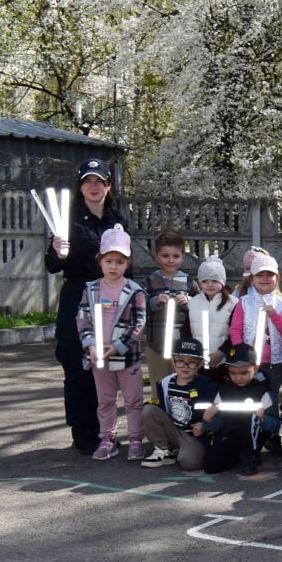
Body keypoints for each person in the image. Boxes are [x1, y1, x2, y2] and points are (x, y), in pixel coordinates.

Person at [45, 158, 130, 453]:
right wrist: (59, 252)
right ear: (80, 186)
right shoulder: (65, 220)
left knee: (104, 367)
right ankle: (82, 432)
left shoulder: (118, 221)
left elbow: (126, 267)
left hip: (108, 300)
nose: (93, 187)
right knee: (75, 364)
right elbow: (52, 265)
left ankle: (105, 433)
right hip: (77, 296)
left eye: (99, 181)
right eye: (87, 181)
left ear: (108, 185)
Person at [77, 225, 148, 461]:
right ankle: (108, 439)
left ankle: (136, 439)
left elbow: (138, 323)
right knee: (105, 401)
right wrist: (92, 345)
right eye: (109, 260)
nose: (114, 266)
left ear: (127, 263)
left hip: (127, 357)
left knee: (133, 400)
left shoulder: (135, 291)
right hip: (99, 356)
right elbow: (83, 318)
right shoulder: (91, 289)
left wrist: (117, 347)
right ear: (100, 261)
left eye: (120, 261)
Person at [201, 343, 279, 479]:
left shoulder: (262, 391)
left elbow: (275, 425)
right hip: (230, 432)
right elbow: (219, 421)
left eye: (244, 373)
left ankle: (249, 456)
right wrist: (208, 420)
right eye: (233, 373)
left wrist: (263, 419)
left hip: (254, 435)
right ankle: (238, 457)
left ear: (255, 368)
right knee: (210, 467)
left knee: (247, 416)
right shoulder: (224, 390)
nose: (238, 378)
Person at [141, 337, 217, 472]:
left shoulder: (207, 386)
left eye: (192, 362)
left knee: (189, 463)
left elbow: (216, 412)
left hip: (195, 434)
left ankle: (188, 451)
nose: (185, 366)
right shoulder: (165, 383)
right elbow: (164, 409)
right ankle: (163, 449)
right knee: (149, 410)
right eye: (180, 361)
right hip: (174, 429)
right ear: (173, 361)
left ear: (200, 364)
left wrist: (205, 426)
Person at [229, 254, 282, 389]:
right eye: (259, 275)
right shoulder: (244, 302)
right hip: (249, 362)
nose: (264, 278)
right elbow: (235, 330)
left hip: (276, 362)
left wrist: (274, 315)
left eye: (269, 274)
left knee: (272, 398)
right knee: (251, 396)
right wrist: (242, 352)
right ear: (252, 279)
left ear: (277, 278)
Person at [144, 231, 190, 397]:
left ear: (182, 257)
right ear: (156, 256)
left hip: (182, 347)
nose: (170, 261)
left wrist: (188, 302)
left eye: (175, 256)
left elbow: (200, 306)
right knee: (159, 387)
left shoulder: (188, 281)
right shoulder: (150, 281)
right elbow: (139, 307)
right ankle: (159, 418)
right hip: (157, 345)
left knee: (181, 387)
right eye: (165, 255)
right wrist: (154, 302)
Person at [186, 256, 237, 375]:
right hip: (198, 362)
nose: (209, 285)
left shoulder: (233, 303)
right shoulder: (192, 303)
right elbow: (187, 331)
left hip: (224, 361)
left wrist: (221, 353)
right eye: (205, 281)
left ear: (222, 281)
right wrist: (194, 354)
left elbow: (236, 333)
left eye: (214, 280)